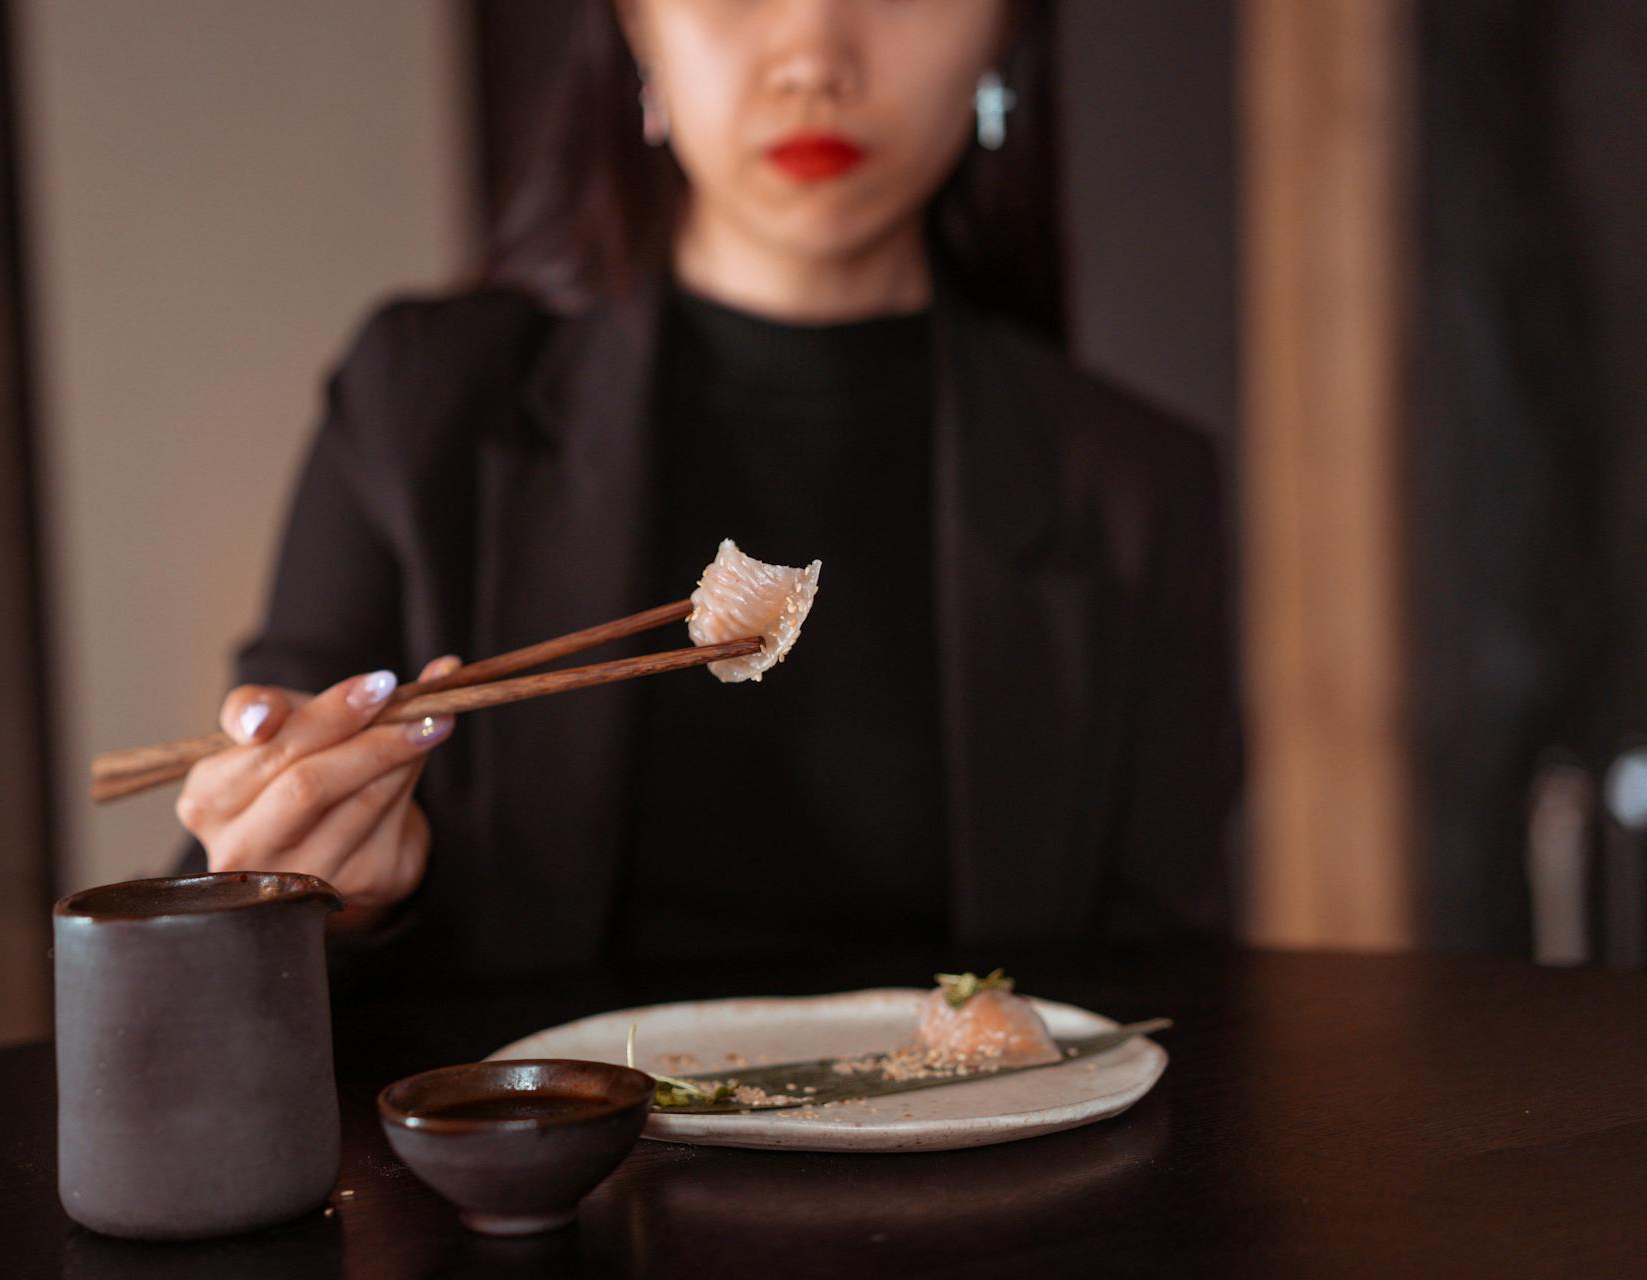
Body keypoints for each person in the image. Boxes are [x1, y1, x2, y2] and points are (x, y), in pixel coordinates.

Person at [177, 0, 1239, 974]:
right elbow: (212, 924)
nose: (815, 57)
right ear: (635, 23)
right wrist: (333, 887)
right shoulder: (425, 405)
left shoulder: (1138, 490)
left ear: (1007, 29)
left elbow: (1170, 1012)